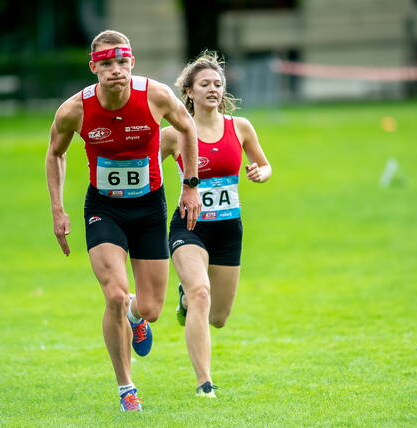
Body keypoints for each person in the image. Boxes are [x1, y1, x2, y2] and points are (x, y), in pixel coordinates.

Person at [45, 30, 200, 411]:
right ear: (93, 67)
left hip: (149, 208)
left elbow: (187, 128)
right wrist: (58, 208)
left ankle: (136, 316)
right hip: (104, 209)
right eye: (106, 63)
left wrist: (191, 185)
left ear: (132, 62)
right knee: (113, 294)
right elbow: (55, 154)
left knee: (151, 308)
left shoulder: (156, 96)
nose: (115, 70)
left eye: (121, 62)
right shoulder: (74, 110)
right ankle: (126, 387)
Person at [161, 51, 271, 397]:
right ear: (189, 92)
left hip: (228, 229)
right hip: (188, 227)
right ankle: (204, 383)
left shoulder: (240, 127)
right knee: (201, 293)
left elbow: (266, 165)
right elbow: (146, 169)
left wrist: (259, 172)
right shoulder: (174, 133)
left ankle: (184, 300)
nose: (213, 89)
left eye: (218, 84)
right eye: (205, 84)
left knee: (218, 317)